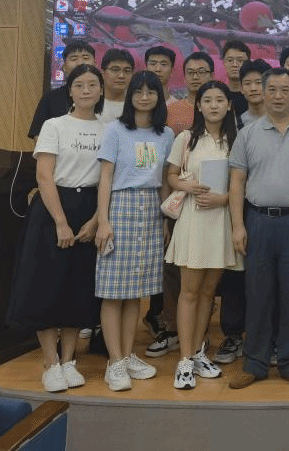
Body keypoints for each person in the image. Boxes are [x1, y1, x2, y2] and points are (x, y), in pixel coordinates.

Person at [228, 68, 289, 390]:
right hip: (258, 221)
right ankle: (254, 363)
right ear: (263, 92)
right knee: (257, 293)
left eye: (284, 90)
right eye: (271, 89)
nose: (278, 96)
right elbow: (236, 183)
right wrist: (238, 226)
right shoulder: (248, 133)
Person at [7, 63, 103, 392]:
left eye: (93, 84)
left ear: (101, 91)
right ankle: (50, 362)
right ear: (70, 91)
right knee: (45, 285)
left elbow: (108, 178)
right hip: (52, 208)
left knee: (78, 286)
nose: (86, 90)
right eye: (80, 85)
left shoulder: (109, 129)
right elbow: (44, 175)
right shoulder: (54, 125)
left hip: (89, 208)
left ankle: (69, 360)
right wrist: (60, 222)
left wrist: (95, 220)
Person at [94, 70, 173, 391]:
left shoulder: (165, 134)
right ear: (131, 96)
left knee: (136, 291)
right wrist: (103, 221)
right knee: (113, 291)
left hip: (151, 210)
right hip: (120, 207)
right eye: (138, 91)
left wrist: (165, 218)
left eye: (150, 91)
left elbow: (165, 181)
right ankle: (114, 362)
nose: (144, 97)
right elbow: (105, 177)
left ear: (158, 97)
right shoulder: (116, 130)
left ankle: (127, 356)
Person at [165, 80, 243, 388]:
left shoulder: (237, 140)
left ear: (229, 105)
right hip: (194, 219)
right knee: (189, 292)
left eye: (219, 100)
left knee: (209, 293)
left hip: (221, 220)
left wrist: (223, 200)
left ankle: (198, 353)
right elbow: (171, 175)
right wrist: (188, 186)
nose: (213, 105)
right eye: (207, 100)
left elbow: (242, 184)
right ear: (199, 105)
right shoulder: (185, 138)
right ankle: (184, 360)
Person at [213, 58, 271, 366]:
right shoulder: (233, 122)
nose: (253, 88)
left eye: (259, 82)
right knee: (235, 271)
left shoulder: (279, 121)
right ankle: (233, 333)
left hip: (266, 206)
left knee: (268, 272)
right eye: (247, 83)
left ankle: (267, 334)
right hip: (234, 203)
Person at [143, 44, 182, 357]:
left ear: (172, 69)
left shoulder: (178, 111)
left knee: (172, 265)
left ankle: (174, 324)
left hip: (174, 196)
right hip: (139, 200)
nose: (158, 69)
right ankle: (159, 319)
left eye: (163, 64)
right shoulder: (133, 116)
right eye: (152, 63)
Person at [27, 40, 95, 138]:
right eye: (74, 58)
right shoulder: (51, 98)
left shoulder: (104, 96)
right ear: (64, 67)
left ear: (95, 64)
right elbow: (38, 134)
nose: (80, 63)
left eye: (85, 58)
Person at [167, 52, 215, 135]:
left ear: (212, 76)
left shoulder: (219, 108)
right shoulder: (170, 110)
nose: (195, 77)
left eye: (201, 72)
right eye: (190, 72)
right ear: (184, 78)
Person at [96, 48, 134, 124]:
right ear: (102, 74)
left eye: (127, 71)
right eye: (115, 70)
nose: (121, 76)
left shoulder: (137, 105)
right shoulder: (91, 104)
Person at [222, 39, 250, 118]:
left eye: (240, 60)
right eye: (230, 60)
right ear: (224, 63)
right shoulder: (219, 95)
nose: (235, 64)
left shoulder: (254, 95)